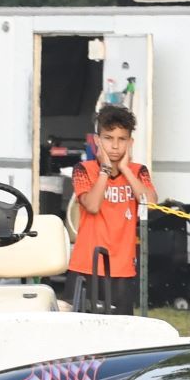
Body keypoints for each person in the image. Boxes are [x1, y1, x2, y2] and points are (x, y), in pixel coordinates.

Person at [67, 104, 157, 315]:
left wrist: (125, 169)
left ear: (130, 142)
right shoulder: (83, 170)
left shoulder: (138, 172)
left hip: (121, 267)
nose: (115, 146)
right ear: (97, 140)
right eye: (108, 138)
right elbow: (92, 205)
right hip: (86, 265)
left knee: (121, 327)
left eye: (122, 139)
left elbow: (151, 203)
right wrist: (105, 170)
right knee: (80, 327)